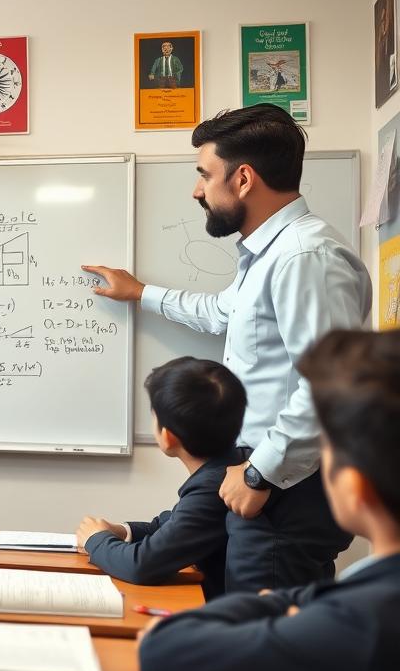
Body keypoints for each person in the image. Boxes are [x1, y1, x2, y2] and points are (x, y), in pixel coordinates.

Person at [85, 104, 371, 591]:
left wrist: (259, 474)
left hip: (283, 490)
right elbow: (222, 313)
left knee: (267, 648)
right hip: (270, 484)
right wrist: (141, 293)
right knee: (251, 627)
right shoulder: (270, 252)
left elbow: (332, 386)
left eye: (204, 174)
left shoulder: (305, 257)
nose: (197, 190)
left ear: (242, 179)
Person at [139, 328, 400, 671]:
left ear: (352, 488)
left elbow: (164, 648)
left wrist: (277, 603)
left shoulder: (362, 620)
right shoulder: (359, 607)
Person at [76, 357, 245, 599]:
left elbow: (142, 566)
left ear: (167, 437)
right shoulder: (230, 466)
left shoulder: (214, 489)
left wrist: (97, 540)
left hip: (231, 620)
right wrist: (124, 531)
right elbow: (169, 525)